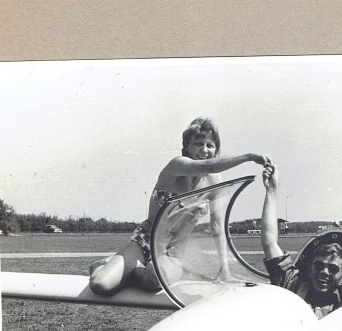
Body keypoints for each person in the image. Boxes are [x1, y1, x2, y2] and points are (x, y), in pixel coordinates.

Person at [89, 117, 271, 295]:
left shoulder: (215, 181)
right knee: (100, 285)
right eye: (198, 144)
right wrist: (249, 157)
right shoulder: (176, 165)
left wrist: (225, 269)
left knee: (153, 278)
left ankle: (129, 269)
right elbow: (207, 166)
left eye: (210, 145)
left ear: (216, 150)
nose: (204, 150)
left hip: (174, 252)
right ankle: (109, 265)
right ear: (186, 148)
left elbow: (218, 227)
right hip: (145, 241)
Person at [260, 164, 342, 319]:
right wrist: (271, 190)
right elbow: (269, 242)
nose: (324, 273)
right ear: (309, 269)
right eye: (319, 265)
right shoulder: (293, 286)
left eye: (333, 269)